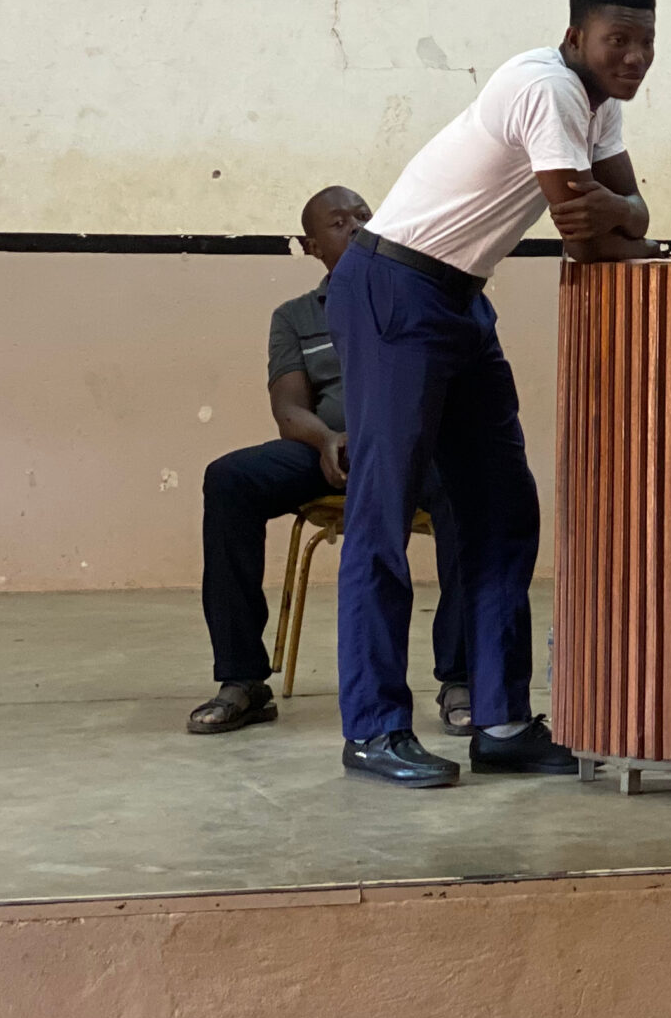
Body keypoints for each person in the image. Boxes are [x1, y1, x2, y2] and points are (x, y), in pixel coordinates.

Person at [326, 0, 660, 788]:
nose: (634, 57)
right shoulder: (546, 87)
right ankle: (373, 728)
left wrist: (625, 215)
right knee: (383, 512)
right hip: (395, 286)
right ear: (576, 37)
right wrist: (625, 218)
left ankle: (502, 722)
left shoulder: (601, 105)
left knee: (504, 508)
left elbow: (624, 214)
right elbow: (588, 238)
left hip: (460, 298)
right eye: (617, 40)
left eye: (646, 43)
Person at [186, 187, 474, 738]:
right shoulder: (295, 317)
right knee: (229, 480)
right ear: (312, 246)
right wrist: (325, 440)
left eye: (365, 216)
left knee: (464, 487)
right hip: (328, 450)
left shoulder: (418, 295)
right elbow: (289, 408)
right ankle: (243, 680)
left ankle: (461, 677)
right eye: (340, 223)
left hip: (410, 448)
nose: (358, 227)